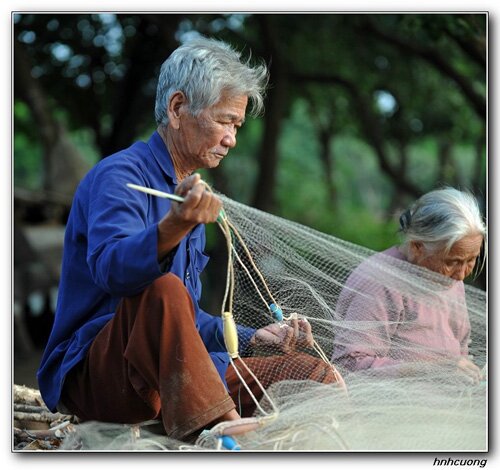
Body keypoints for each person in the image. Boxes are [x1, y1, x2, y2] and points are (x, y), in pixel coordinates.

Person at [37, 37, 338, 444]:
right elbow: (115, 273)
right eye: (224, 121)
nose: (231, 138)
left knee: (312, 375)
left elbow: (184, 322)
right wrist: (173, 226)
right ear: (178, 109)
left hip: (175, 381)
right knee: (163, 288)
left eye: (236, 125)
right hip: (105, 377)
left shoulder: (188, 193)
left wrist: (254, 338)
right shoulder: (120, 176)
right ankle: (222, 427)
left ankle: (238, 424)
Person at [331, 187, 485, 383]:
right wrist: (432, 370)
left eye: (471, 260)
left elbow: (459, 349)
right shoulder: (379, 283)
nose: (462, 274)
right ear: (417, 246)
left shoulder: (449, 278)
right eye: (451, 262)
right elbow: (348, 365)